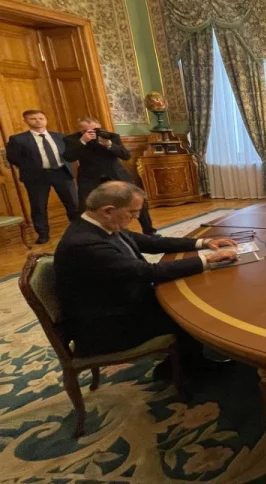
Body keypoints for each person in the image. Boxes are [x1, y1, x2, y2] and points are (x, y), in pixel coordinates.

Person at [54, 182, 238, 373]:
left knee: (191, 293)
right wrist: (208, 260)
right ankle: (192, 369)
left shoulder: (100, 225)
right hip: (108, 326)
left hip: (122, 302)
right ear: (108, 210)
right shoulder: (85, 244)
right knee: (190, 311)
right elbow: (147, 271)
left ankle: (181, 361)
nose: (136, 217)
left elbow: (151, 243)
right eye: (132, 212)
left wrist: (203, 243)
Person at [62, 116, 157, 235]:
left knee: (138, 200)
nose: (91, 133)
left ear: (100, 127)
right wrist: (82, 141)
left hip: (116, 175)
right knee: (84, 207)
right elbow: (69, 157)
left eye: (95, 129)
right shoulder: (71, 139)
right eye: (86, 130)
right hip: (89, 178)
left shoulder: (111, 136)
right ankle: (86, 235)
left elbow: (126, 156)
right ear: (80, 130)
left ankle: (149, 231)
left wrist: (109, 145)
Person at [5, 110, 79, 244]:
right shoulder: (18, 139)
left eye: (41, 118)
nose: (38, 121)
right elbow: (13, 158)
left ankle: (79, 229)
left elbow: (69, 153)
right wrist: (31, 166)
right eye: (33, 119)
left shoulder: (60, 136)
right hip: (36, 176)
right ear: (26, 121)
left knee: (73, 203)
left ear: (45, 119)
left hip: (61, 172)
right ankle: (43, 234)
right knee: (38, 206)